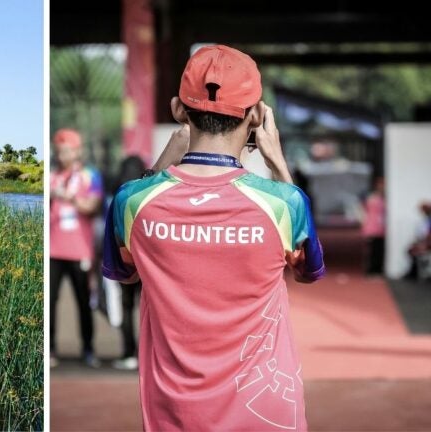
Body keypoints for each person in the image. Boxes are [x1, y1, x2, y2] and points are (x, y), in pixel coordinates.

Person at [103, 44, 325, 431]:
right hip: (265, 411)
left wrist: (158, 168)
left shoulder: (132, 200)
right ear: (257, 115)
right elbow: (308, 271)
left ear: (177, 109)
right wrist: (279, 165)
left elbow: (127, 273)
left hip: (175, 414)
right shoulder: (284, 203)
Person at [49, 128, 104, 368]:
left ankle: (89, 349)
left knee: (84, 301)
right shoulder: (51, 176)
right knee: (50, 301)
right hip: (54, 250)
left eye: (68, 150)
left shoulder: (89, 176)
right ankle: (50, 350)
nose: (63, 155)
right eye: (60, 151)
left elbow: (92, 206)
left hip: (80, 249)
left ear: (78, 151)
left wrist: (68, 197)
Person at [110, 156, 146, 370]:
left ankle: (127, 352)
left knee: (126, 307)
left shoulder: (121, 196)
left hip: (125, 261)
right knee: (148, 309)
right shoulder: (147, 195)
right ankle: (144, 354)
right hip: (147, 265)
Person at [361, 176, 385, 275]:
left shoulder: (382, 198)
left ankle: (376, 269)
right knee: (372, 250)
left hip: (381, 228)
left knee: (378, 249)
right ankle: (371, 270)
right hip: (372, 227)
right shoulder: (373, 198)